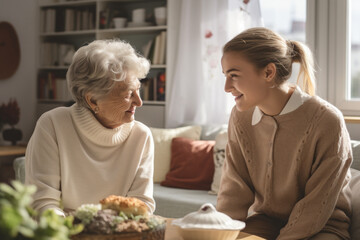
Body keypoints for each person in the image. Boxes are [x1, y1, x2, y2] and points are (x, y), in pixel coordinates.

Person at [217, 27, 352, 240]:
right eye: (225, 76)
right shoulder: (240, 117)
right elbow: (234, 189)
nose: (226, 87)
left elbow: (317, 205)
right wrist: (222, 234)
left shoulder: (327, 120)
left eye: (234, 75)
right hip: (266, 222)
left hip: (323, 226)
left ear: (268, 73)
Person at [25, 39, 155, 216]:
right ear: (92, 100)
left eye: (138, 89)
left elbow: (141, 204)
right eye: (128, 94)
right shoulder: (53, 125)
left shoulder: (141, 136)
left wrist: (101, 226)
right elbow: (43, 203)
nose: (139, 102)